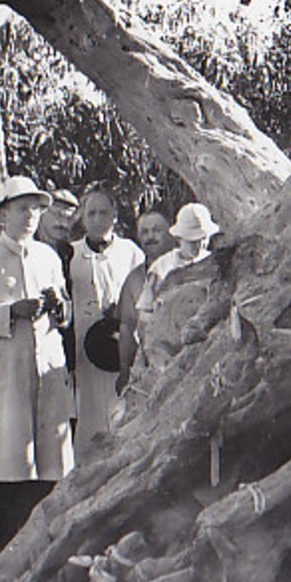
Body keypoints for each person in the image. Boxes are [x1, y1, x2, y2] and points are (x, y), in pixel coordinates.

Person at [0, 175, 75, 556]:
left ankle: (42, 556)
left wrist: (59, 308)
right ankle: (1, 557)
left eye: (36, 208)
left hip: (46, 377)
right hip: (5, 382)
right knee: (10, 476)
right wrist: (10, 313)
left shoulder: (48, 257)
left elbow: (65, 317)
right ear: (3, 213)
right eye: (22, 207)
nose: (30, 216)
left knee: (49, 473)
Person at [67, 187, 144, 447]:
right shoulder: (71, 254)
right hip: (85, 346)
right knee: (87, 411)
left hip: (121, 342)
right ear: (83, 218)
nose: (98, 219)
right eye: (91, 213)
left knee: (120, 408)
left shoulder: (130, 252)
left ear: (114, 216)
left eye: (104, 212)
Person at [136, 202, 219, 374]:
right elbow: (143, 315)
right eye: (193, 241)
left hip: (205, 343)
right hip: (168, 346)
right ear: (180, 237)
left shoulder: (215, 265)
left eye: (203, 240)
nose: (199, 246)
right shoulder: (162, 268)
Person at [116, 209, 174, 393]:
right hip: (152, 367)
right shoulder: (134, 279)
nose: (150, 237)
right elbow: (127, 327)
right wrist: (125, 371)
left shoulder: (192, 265)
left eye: (156, 230)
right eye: (144, 232)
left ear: (171, 232)